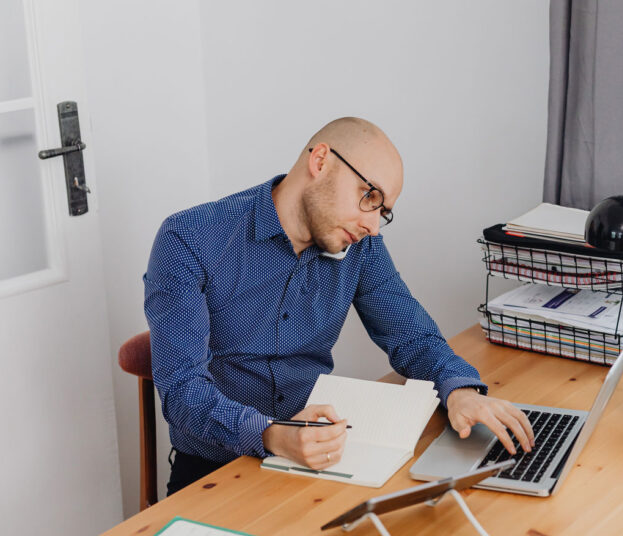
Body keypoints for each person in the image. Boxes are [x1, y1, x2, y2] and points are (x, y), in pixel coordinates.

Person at [144, 117, 534, 495]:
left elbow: (413, 336)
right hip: (217, 471)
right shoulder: (190, 239)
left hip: (321, 458)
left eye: (383, 211)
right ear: (320, 162)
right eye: (370, 196)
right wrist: (272, 433)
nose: (373, 225)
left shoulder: (360, 246)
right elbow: (182, 391)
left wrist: (460, 390)